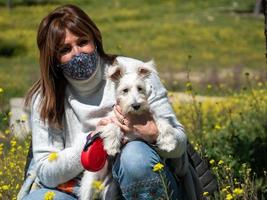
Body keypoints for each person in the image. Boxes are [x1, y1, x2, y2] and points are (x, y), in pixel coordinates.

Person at [17, 4, 203, 200]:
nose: (77, 53)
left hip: (138, 182)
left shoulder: (135, 72)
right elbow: (46, 171)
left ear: (95, 39)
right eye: (65, 49)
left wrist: (153, 132)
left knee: (135, 157)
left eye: (83, 42)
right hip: (74, 189)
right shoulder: (46, 97)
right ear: (53, 57)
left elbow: (179, 142)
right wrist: (92, 144)